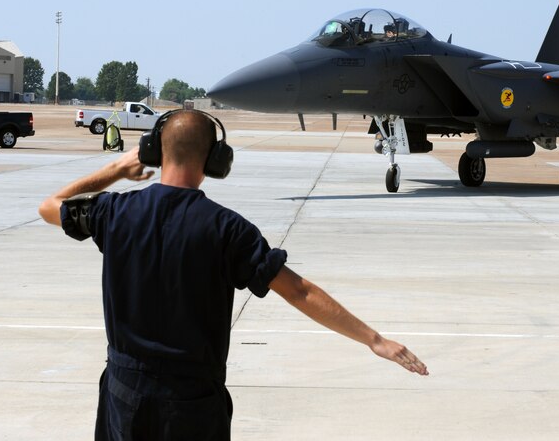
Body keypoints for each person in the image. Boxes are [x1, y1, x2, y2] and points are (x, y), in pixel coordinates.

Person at [38, 110, 427, 440]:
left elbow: (49, 206)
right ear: (214, 160)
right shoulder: (228, 229)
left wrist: (116, 169)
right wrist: (374, 340)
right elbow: (299, 291)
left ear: (156, 152)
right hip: (192, 403)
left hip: (124, 395)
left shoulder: (114, 213)